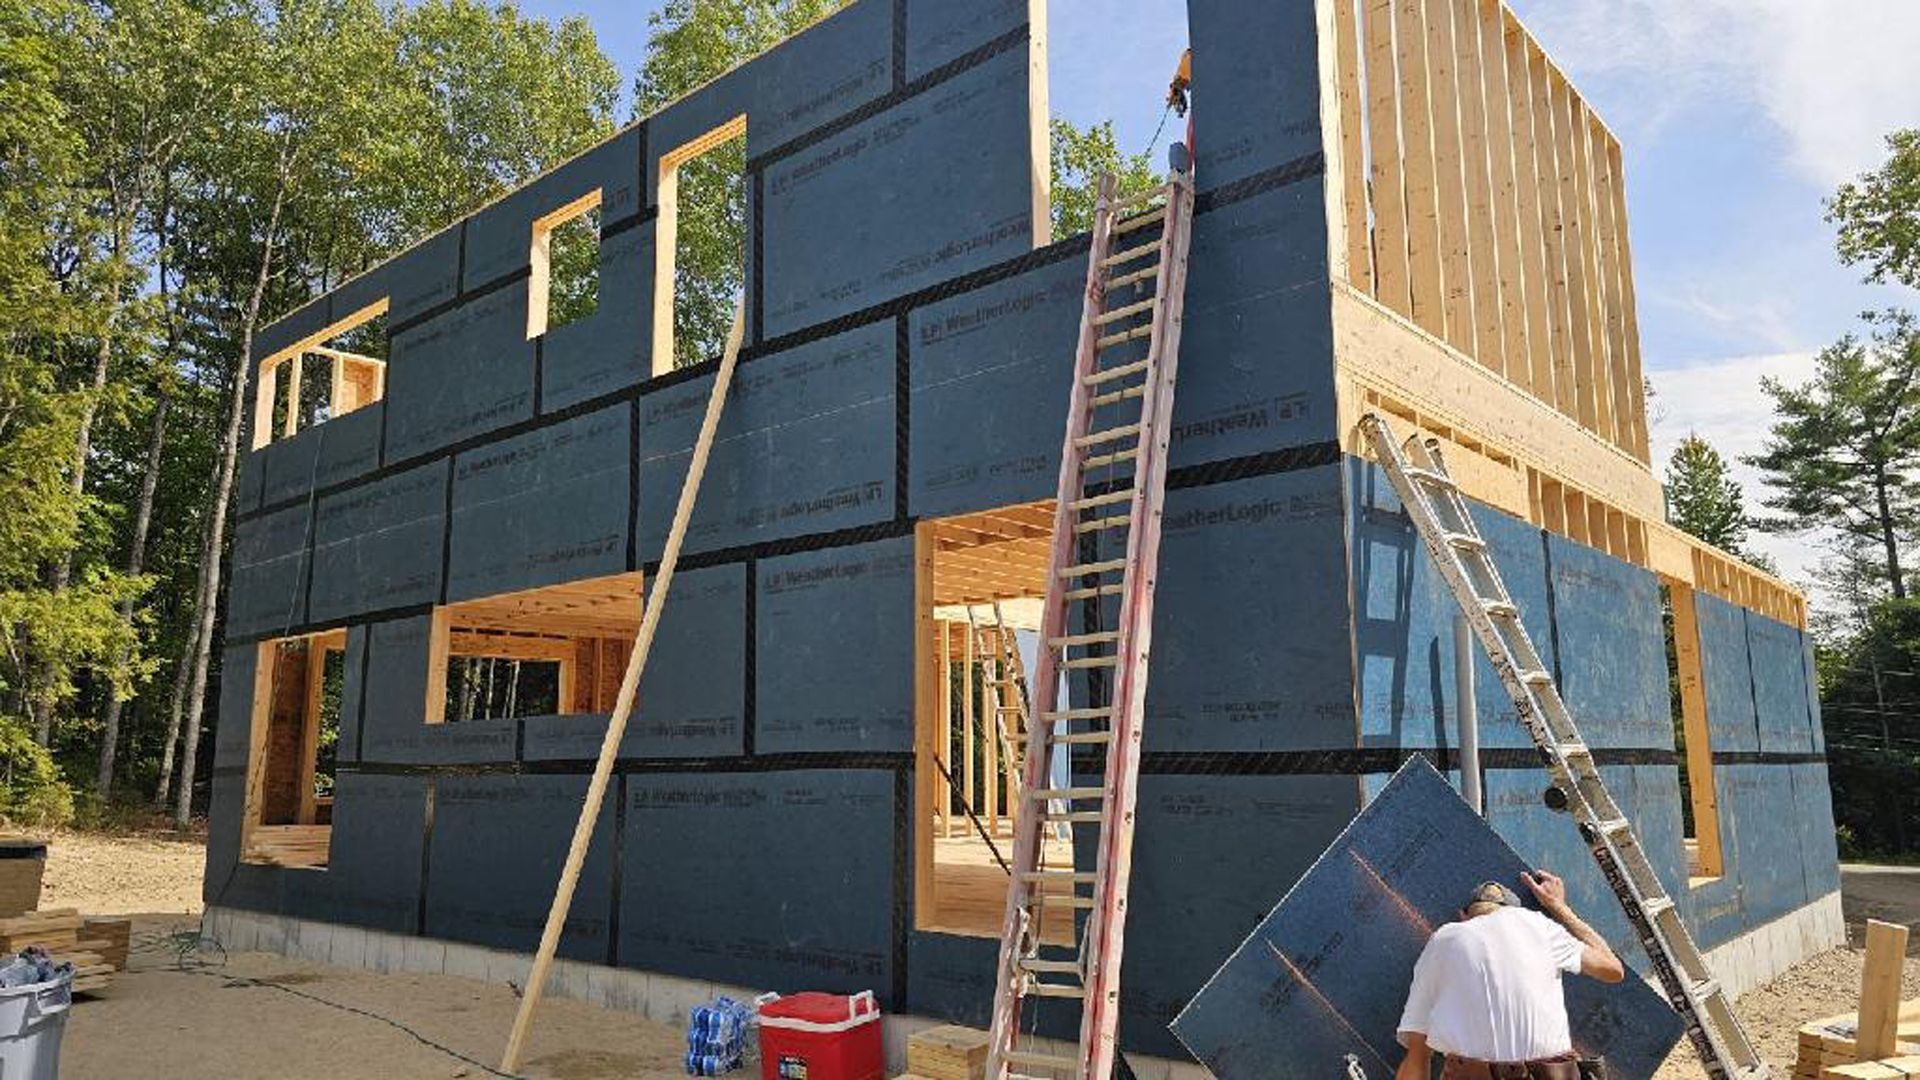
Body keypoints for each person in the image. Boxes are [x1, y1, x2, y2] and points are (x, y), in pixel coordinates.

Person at [1395, 869, 1626, 1080]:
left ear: (1464, 916)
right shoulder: (1537, 924)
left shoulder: (1443, 940)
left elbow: (1418, 1056)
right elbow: (1612, 969)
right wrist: (1558, 906)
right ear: (1513, 911)